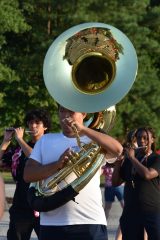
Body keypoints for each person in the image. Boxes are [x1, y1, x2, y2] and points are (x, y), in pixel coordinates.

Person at [23, 105, 123, 240]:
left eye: (71, 111)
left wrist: (83, 129)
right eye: (62, 110)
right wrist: (57, 165)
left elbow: (118, 150)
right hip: (52, 223)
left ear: (83, 113)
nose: (66, 115)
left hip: (90, 221)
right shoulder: (45, 140)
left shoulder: (95, 140)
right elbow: (28, 175)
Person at [0, 108, 52, 240]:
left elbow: (35, 157)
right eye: (30, 122)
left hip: (45, 205)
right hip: (21, 205)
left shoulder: (51, 145)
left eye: (37, 123)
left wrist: (20, 140)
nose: (32, 126)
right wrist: (6, 141)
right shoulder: (19, 149)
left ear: (45, 126)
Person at [112, 127, 160, 240]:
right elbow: (115, 182)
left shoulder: (156, 159)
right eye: (139, 138)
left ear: (152, 140)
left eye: (145, 138)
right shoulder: (129, 160)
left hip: (152, 210)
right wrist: (118, 163)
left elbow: (147, 175)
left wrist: (133, 158)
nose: (142, 141)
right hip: (131, 211)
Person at [102, 163, 124, 240]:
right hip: (114, 186)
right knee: (108, 207)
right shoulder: (119, 163)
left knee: (108, 208)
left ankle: (103, 226)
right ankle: (103, 225)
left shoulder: (108, 164)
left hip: (116, 186)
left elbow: (103, 172)